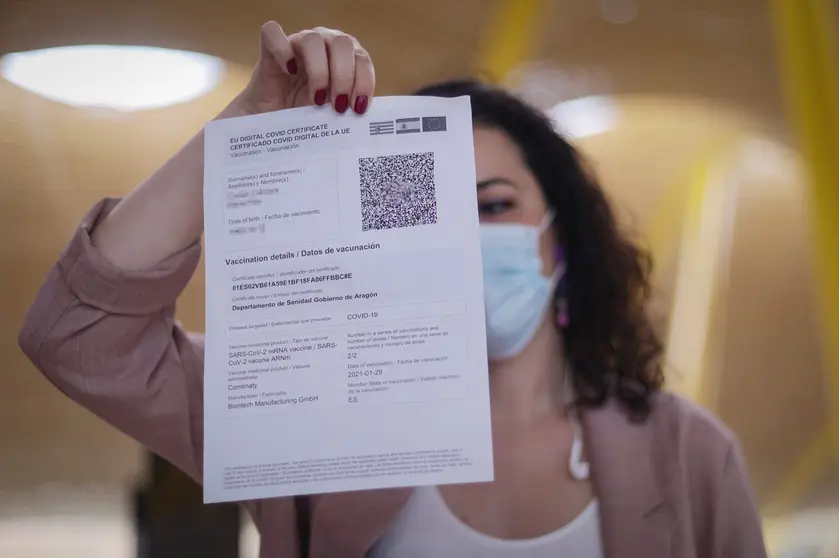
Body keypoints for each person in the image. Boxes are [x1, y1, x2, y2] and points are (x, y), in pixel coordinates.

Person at [18, 22, 767, 558]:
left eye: (493, 204)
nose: (462, 235)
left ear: (561, 239)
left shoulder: (687, 453)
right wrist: (240, 134)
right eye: (428, 206)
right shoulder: (303, 407)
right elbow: (78, 337)